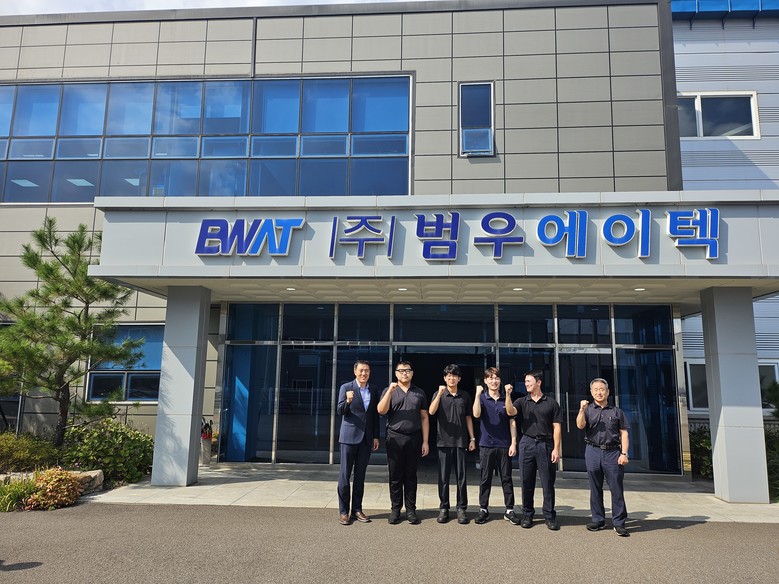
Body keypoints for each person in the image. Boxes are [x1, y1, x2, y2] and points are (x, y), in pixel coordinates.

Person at [506, 369, 562, 530]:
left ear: (538, 382)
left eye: (529, 381)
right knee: (526, 481)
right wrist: (508, 395)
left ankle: (549, 516)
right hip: (527, 442)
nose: (526, 384)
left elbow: (557, 427)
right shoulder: (522, 401)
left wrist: (556, 449)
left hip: (546, 444)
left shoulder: (551, 403)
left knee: (547, 482)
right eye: (525, 382)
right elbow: (510, 412)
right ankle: (527, 514)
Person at [576, 377, 630, 537]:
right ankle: (598, 519)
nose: (599, 392)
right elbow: (580, 425)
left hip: (612, 452)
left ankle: (619, 522)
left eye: (602, 389)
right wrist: (581, 410)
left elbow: (624, 433)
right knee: (595, 487)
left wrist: (624, 453)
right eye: (595, 390)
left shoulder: (616, 411)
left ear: (608, 392)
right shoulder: (588, 409)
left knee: (616, 488)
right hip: (592, 451)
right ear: (591, 392)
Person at [377, 360, 429, 525]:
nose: (404, 373)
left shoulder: (419, 392)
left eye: (407, 370)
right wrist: (389, 392)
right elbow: (381, 410)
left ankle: (411, 510)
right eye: (401, 371)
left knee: (411, 475)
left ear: (412, 373)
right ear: (396, 373)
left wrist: (425, 441)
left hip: (414, 437)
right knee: (395, 475)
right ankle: (395, 509)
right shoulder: (390, 390)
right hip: (394, 437)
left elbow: (424, 417)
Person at [428, 364, 476, 525]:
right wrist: (439, 394)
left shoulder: (465, 396)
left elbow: (468, 417)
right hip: (443, 441)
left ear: (459, 378)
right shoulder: (439, 394)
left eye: (454, 375)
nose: (452, 378)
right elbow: (431, 411)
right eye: (449, 375)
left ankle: (461, 508)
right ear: (444, 378)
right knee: (443, 477)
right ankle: (444, 507)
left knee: (461, 477)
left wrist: (472, 438)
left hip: (461, 441)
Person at [335, 359, 380, 526]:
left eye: (366, 370)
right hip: (348, 437)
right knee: (345, 475)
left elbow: (374, 416)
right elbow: (339, 411)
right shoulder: (346, 387)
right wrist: (347, 401)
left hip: (366, 439)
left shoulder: (373, 389)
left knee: (360, 476)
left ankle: (357, 509)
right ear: (355, 371)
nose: (364, 373)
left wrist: (376, 436)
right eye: (361, 370)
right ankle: (343, 511)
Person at [471, 367, 518, 524]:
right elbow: (476, 414)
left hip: (504, 444)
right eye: (490, 378)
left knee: (506, 478)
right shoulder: (482, 398)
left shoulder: (505, 398)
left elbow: (511, 418)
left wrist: (513, 443)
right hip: (486, 445)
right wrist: (477, 395)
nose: (494, 381)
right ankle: (483, 509)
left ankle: (509, 510)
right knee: (485, 478)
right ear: (485, 381)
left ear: (500, 380)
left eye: (496, 378)